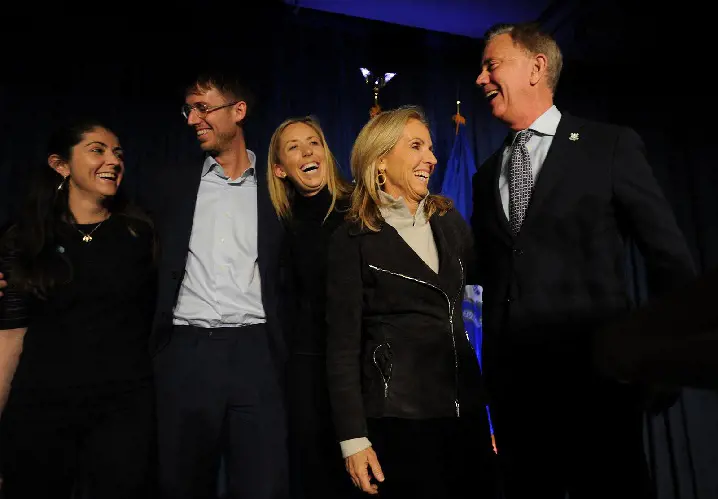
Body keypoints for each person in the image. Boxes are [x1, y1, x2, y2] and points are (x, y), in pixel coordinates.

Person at [471, 22, 696, 499]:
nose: (480, 79)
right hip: (517, 399)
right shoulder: (487, 173)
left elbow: (669, 259)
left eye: (492, 65)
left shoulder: (607, 146)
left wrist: (666, 360)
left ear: (536, 68)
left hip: (598, 387)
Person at [326, 106, 497, 498]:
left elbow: (493, 279)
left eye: (432, 148)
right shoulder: (352, 238)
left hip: (464, 412)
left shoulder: (449, 221)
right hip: (399, 421)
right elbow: (341, 349)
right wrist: (353, 439)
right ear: (381, 160)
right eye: (416, 146)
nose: (432, 159)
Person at [144, 70, 288, 499]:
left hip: (257, 355)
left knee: (265, 486)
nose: (192, 119)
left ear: (238, 111)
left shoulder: (278, 186)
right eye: (188, 109)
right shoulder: (170, 185)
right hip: (187, 355)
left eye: (203, 108)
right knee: (181, 486)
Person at [0, 120, 157, 498]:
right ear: (61, 165)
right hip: (41, 409)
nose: (113, 160)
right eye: (97, 149)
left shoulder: (140, 234)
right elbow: (9, 336)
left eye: (118, 153)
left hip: (121, 413)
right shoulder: (26, 238)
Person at [267, 116, 356, 498]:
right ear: (279, 169)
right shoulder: (275, 225)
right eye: (293, 147)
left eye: (313, 142)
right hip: (307, 366)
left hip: (359, 363)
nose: (307, 152)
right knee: (317, 474)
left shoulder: (358, 208)